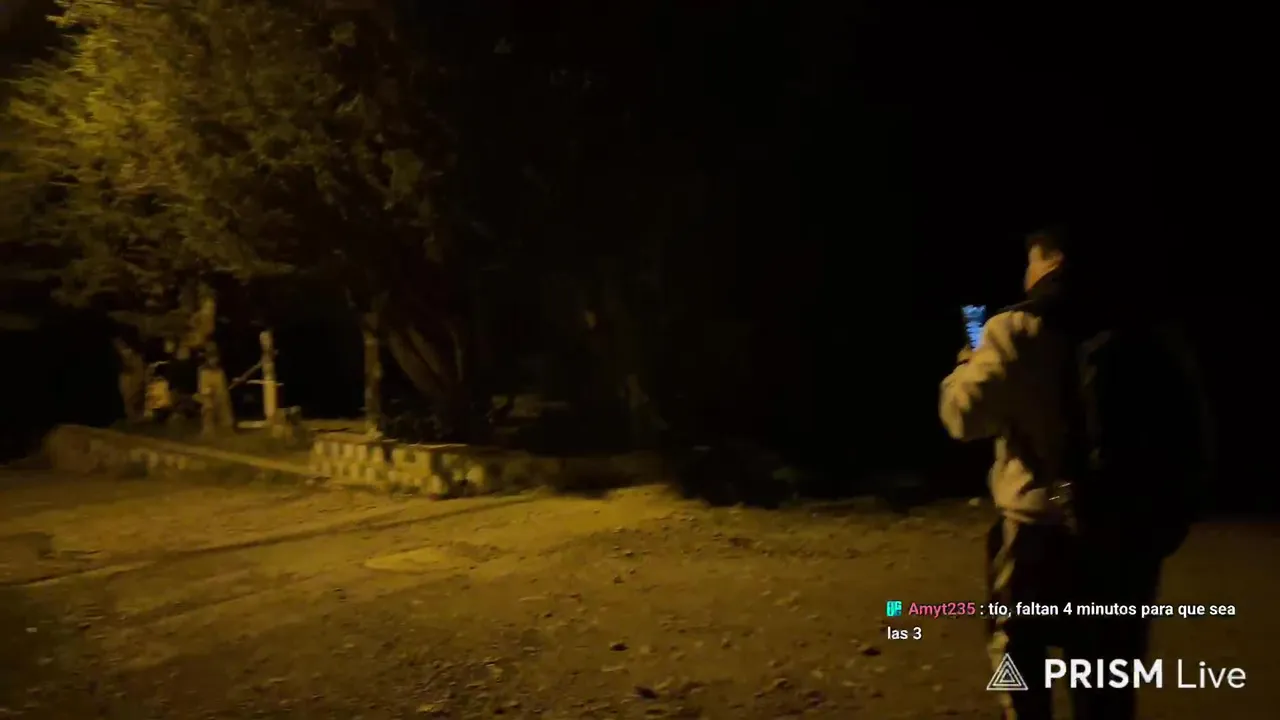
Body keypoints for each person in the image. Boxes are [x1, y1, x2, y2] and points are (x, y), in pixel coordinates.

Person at [938, 227, 1214, 720]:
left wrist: (967, 363)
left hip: (1037, 532)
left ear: (1048, 258)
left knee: (1018, 659)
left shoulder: (1013, 328)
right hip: (1125, 534)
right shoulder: (1150, 327)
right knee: (1107, 679)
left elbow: (965, 419)